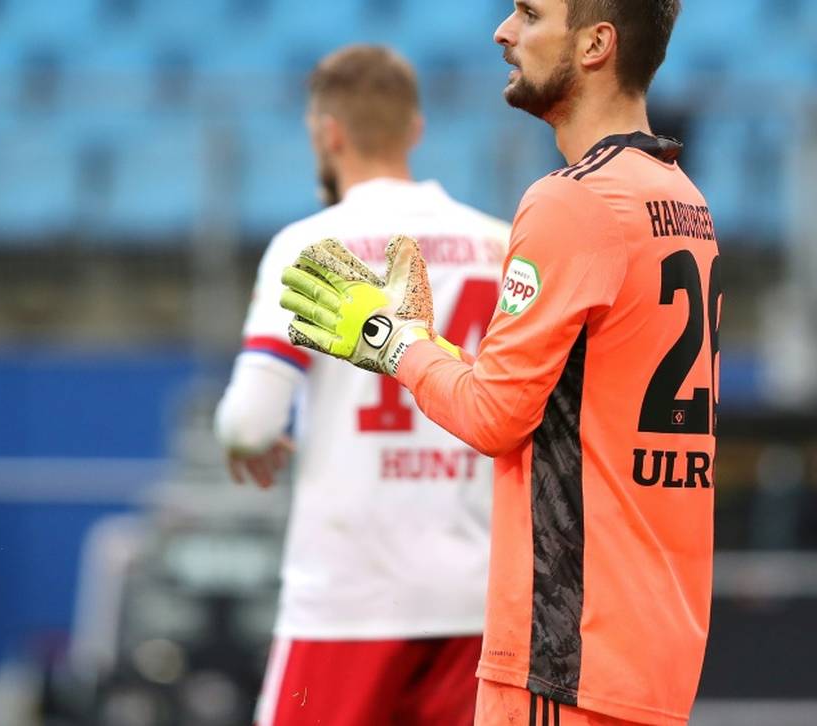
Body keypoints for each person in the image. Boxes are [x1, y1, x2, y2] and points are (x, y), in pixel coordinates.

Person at [280, 2, 721, 723]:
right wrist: (430, 342)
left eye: (529, 13)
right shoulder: (681, 199)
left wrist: (391, 342)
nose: (503, 32)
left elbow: (495, 417)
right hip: (652, 645)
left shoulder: (571, 202)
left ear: (595, 45)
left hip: (565, 652)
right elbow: (565, 397)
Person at [214, 45, 509, 726]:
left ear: (328, 132)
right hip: (478, 597)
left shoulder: (310, 245)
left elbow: (249, 424)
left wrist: (241, 441)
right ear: (417, 129)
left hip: (348, 595)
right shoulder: (500, 243)